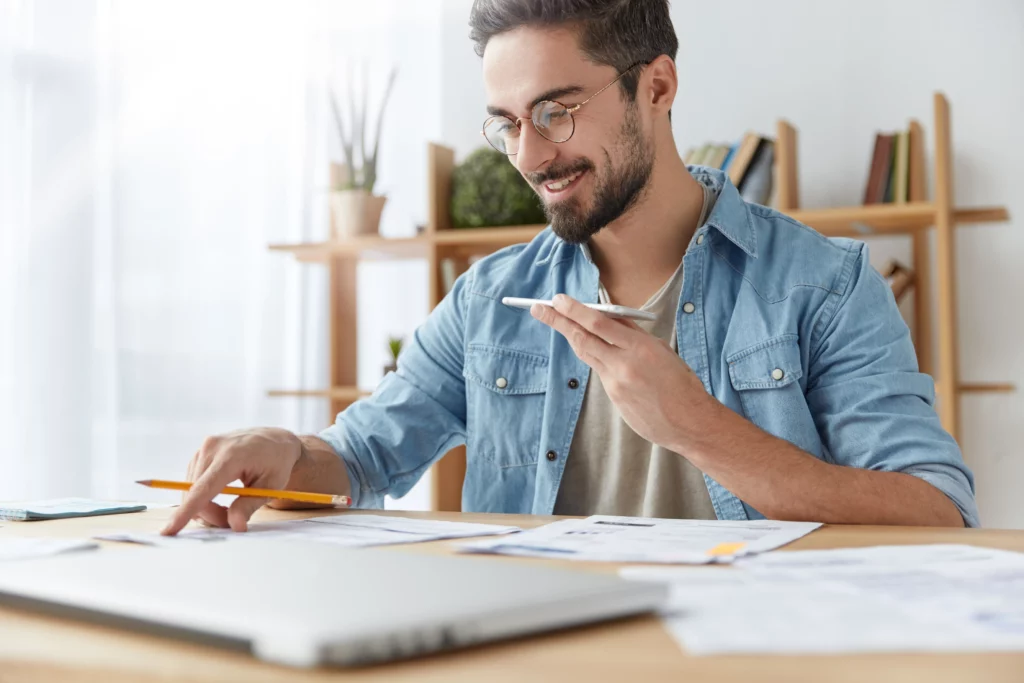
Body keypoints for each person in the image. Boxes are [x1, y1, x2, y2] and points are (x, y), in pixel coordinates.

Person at [163, 0, 978, 536]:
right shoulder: (487, 300)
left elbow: (935, 512)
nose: (531, 154)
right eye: (507, 123)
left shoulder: (823, 284)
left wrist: (695, 425)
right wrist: (287, 453)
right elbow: (365, 456)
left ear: (656, 85)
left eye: (557, 111)